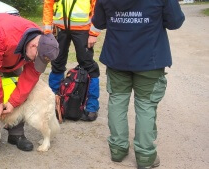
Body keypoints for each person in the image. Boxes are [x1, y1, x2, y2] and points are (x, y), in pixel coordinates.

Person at [92, 0, 185, 168]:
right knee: (146, 105)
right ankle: (145, 156)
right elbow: (175, 21)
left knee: (117, 102)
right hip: (150, 58)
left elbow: (99, 21)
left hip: (117, 57)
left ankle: (118, 150)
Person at [0, 13, 59, 152]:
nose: (35, 62)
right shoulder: (1, 34)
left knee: (16, 86)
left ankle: (16, 134)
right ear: (33, 45)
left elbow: (29, 78)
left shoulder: (39, 44)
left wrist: (13, 102)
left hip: (12, 53)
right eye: (36, 58)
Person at [43, 0, 101, 121]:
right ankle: (54, 102)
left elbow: (97, 7)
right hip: (60, 29)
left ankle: (91, 106)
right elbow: (49, 4)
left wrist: (94, 34)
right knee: (57, 63)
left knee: (88, 65)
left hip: (83, 29)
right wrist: (48, 31)